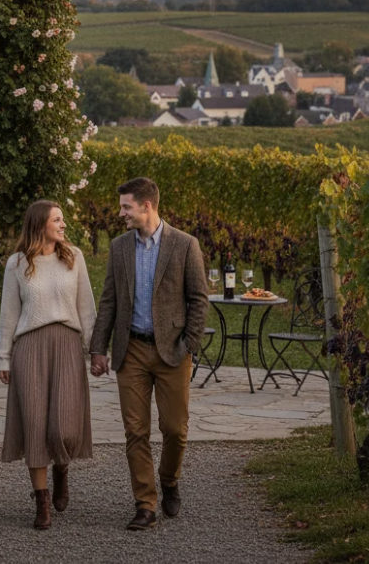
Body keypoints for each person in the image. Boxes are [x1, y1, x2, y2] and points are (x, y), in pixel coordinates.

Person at [90, 177, 209, 531]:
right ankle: (145, 503)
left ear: (147, 206)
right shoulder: (119, 247)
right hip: (132, 351)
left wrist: (189, 344)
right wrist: (98, 347)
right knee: (135, 431)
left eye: (126, 206)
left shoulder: (185, 245)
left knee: (175, 430)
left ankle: (169, 479)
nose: (121, 213)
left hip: (173, 351)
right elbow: (109, 300)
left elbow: (199, 299)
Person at [0, 200, 96, 530]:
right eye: (57, 219)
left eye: (63, 219)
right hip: (29, 348)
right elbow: (8, 314)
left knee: (64, 428)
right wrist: (3, 357)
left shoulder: (74, 257)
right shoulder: (17, 264)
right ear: (40, 224)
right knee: (35, 428)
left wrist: (96, 351)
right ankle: (41, 502)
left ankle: (62, 468)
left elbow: (87, 309)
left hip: (67, 345)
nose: (63, 224)